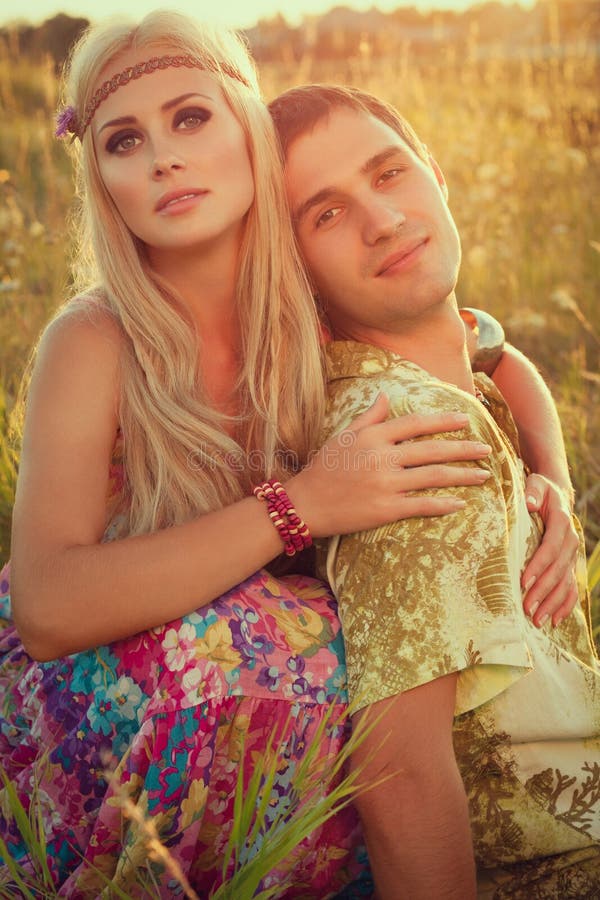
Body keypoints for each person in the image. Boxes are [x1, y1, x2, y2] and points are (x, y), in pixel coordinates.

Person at [0, 11, 579, 896]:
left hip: (248, 702)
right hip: (105, 698)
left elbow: (491, 347)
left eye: (190, 118)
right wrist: (299, 506)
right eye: (125, 140)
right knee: (290, 650)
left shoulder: (307, 287)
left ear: (246, 129)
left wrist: (555, 483)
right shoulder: (97, 339)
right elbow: (47, 606)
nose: (163, 156)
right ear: (103, 180)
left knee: (331, 663)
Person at [270, 83, 600, 898]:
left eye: (388, 175)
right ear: (295, 270)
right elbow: (400, 773)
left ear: (436, 176)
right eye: (326, 214)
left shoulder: (449, 369)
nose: (381, 220)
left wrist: (554, 483)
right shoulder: (411, 441)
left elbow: (495, 350)